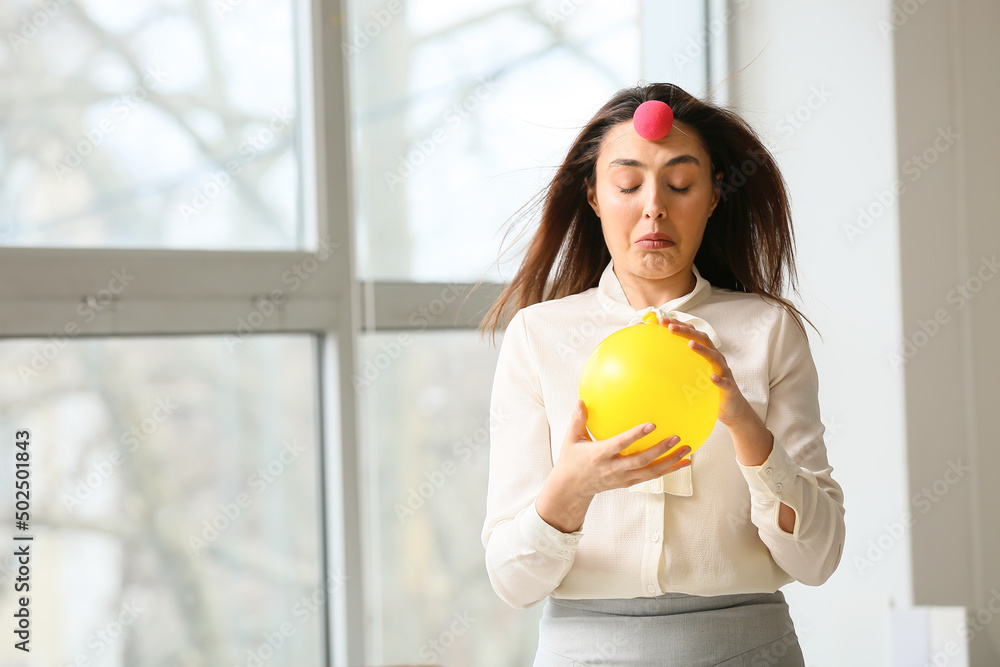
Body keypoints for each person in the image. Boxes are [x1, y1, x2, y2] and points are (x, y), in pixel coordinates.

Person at [477, 82, 847, 666]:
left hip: (747, 648)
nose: (654, 207)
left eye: (680, 184)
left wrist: (744, 425)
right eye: (628, 184)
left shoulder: (767, 330)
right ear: (594, 195)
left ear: (714, 195)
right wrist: (570, 490)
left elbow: (818, 559)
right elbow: (512, 582)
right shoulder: (537, 336)